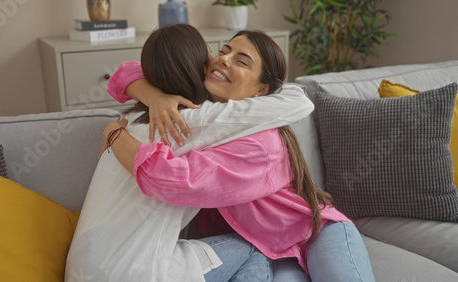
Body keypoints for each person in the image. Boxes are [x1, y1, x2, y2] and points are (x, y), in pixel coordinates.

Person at [104, 26, 376, 281]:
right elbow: (127, 71)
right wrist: (154, 97)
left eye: (241, 61)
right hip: (265, 249)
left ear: (261, 90)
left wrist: (114, 135)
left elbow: (175, 181)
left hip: (316, 234)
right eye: (223, 51)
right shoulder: (203, 113)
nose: (224, 59)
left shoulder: (260, 145)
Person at [66, 24, 315, 282]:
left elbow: (125, 71)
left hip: (81, 264)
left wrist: (144, 103)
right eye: (214, 54)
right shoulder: (195, 121)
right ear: (198, 66)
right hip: (132, 270)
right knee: (257, 248)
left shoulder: (132, 117)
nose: (219, 59)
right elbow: (298, 101)